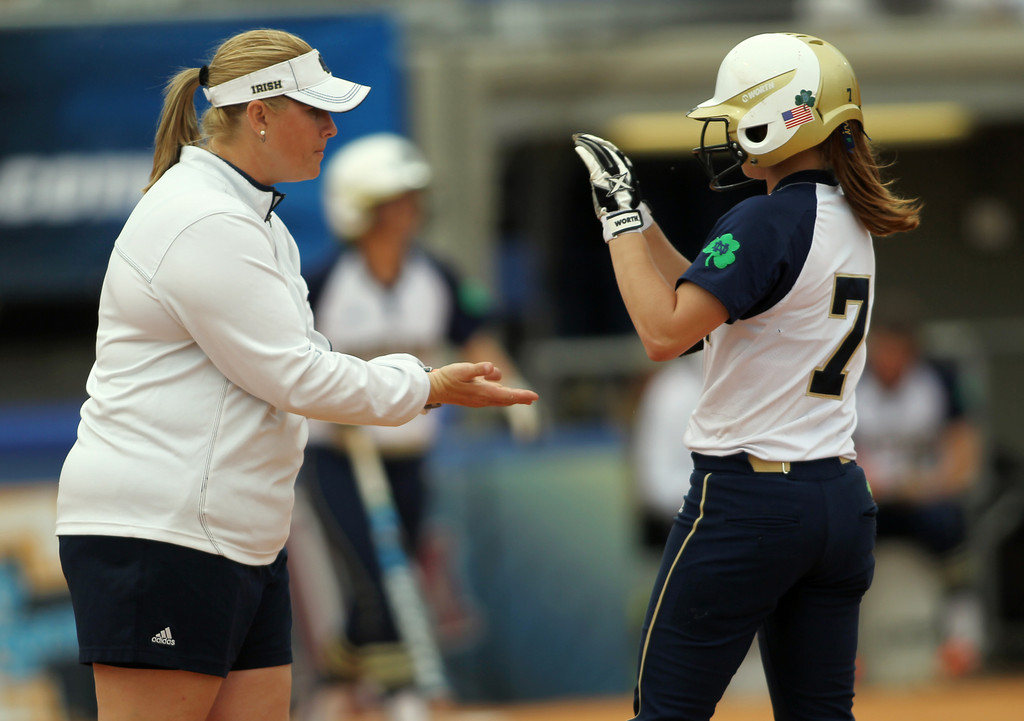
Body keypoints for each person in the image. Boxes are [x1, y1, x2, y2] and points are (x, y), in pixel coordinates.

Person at [53, 29, 537, 721]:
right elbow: (298, 376)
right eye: (314, 112)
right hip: (161, 534)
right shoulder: (203, 218)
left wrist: (422, 384)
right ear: (258, 114)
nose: (331, 127)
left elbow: (298, 369)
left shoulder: (258, 220)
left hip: (234, 534)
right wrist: (427, 384)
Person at [572, 32, 920, 721]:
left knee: (665, 711)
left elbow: (663, 331)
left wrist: (613, 223)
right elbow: (705, 296)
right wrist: (639, 219)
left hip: (750, 502)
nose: (730, 131)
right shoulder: (851, 217)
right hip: (838, 498)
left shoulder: (767, 216)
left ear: (785, 115)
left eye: (739, 113)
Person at [297, 133, 539, 718]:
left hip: (408, 452)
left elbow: (477, 339)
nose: (410, 211)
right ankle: (396, 693)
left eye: (413, 198)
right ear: (360, 209)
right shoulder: (323, 281)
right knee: (376, 573)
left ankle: (338, 679)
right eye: (394, 200)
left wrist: (517, 399)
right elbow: (290, 364)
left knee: (393, 569)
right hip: (338, 454)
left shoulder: (436, 276)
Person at [854, 311, 983, 675]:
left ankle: (961, 640)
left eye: (896, 351)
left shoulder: (937, 381)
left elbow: (964, 446)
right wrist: (866, 483)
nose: (888, 360)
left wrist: (931, 485)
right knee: (840, 539)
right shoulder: (853, 383)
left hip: (924, 499)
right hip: (870, 498)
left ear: (911, 352)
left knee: (951, 525)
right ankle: (847, 649)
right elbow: (835, 449)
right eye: (882, 350)